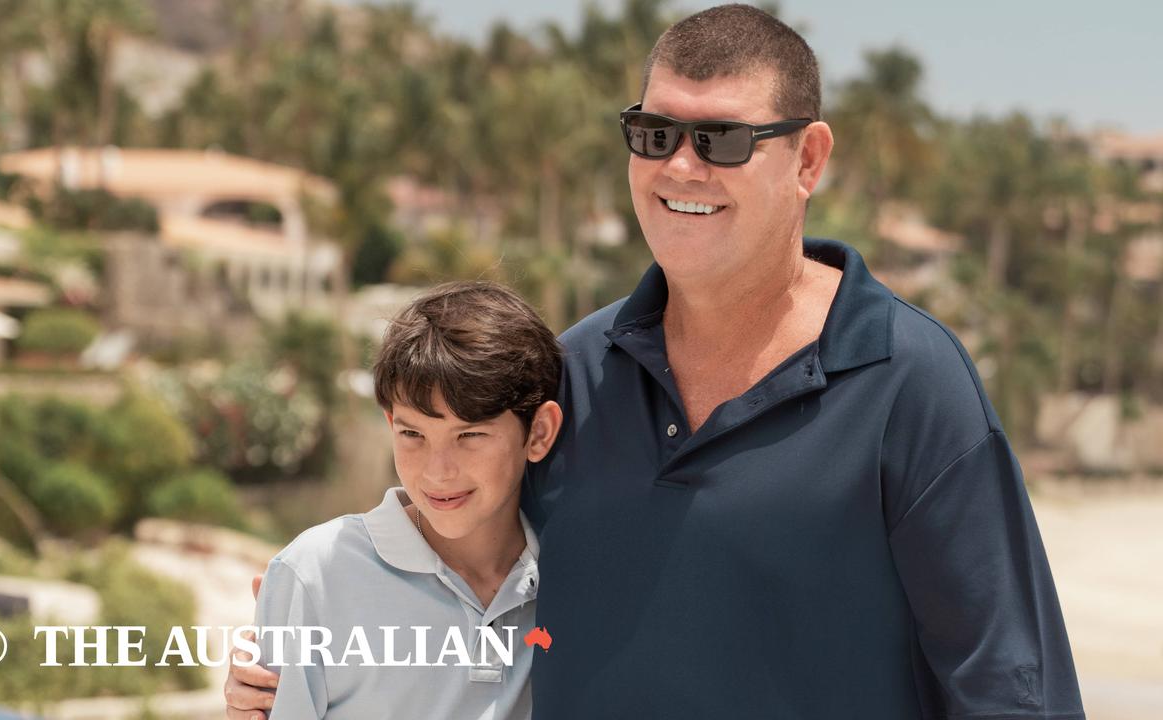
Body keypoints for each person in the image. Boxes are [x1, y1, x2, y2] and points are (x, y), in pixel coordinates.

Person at [228, 5, 1084, 719]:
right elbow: (463, 556)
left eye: (722, 140)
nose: (680, 165)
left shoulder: (912, 382)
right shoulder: (572, 375)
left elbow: (1013, 691)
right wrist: (304, 635)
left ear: (809, 159)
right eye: (655, 132)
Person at [243, 281, 562, 719]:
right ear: (390, 422)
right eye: (412, 434)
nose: (437, 471)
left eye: (469, 435)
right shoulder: (316, 574)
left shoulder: (570, 578)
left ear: (538, 432)